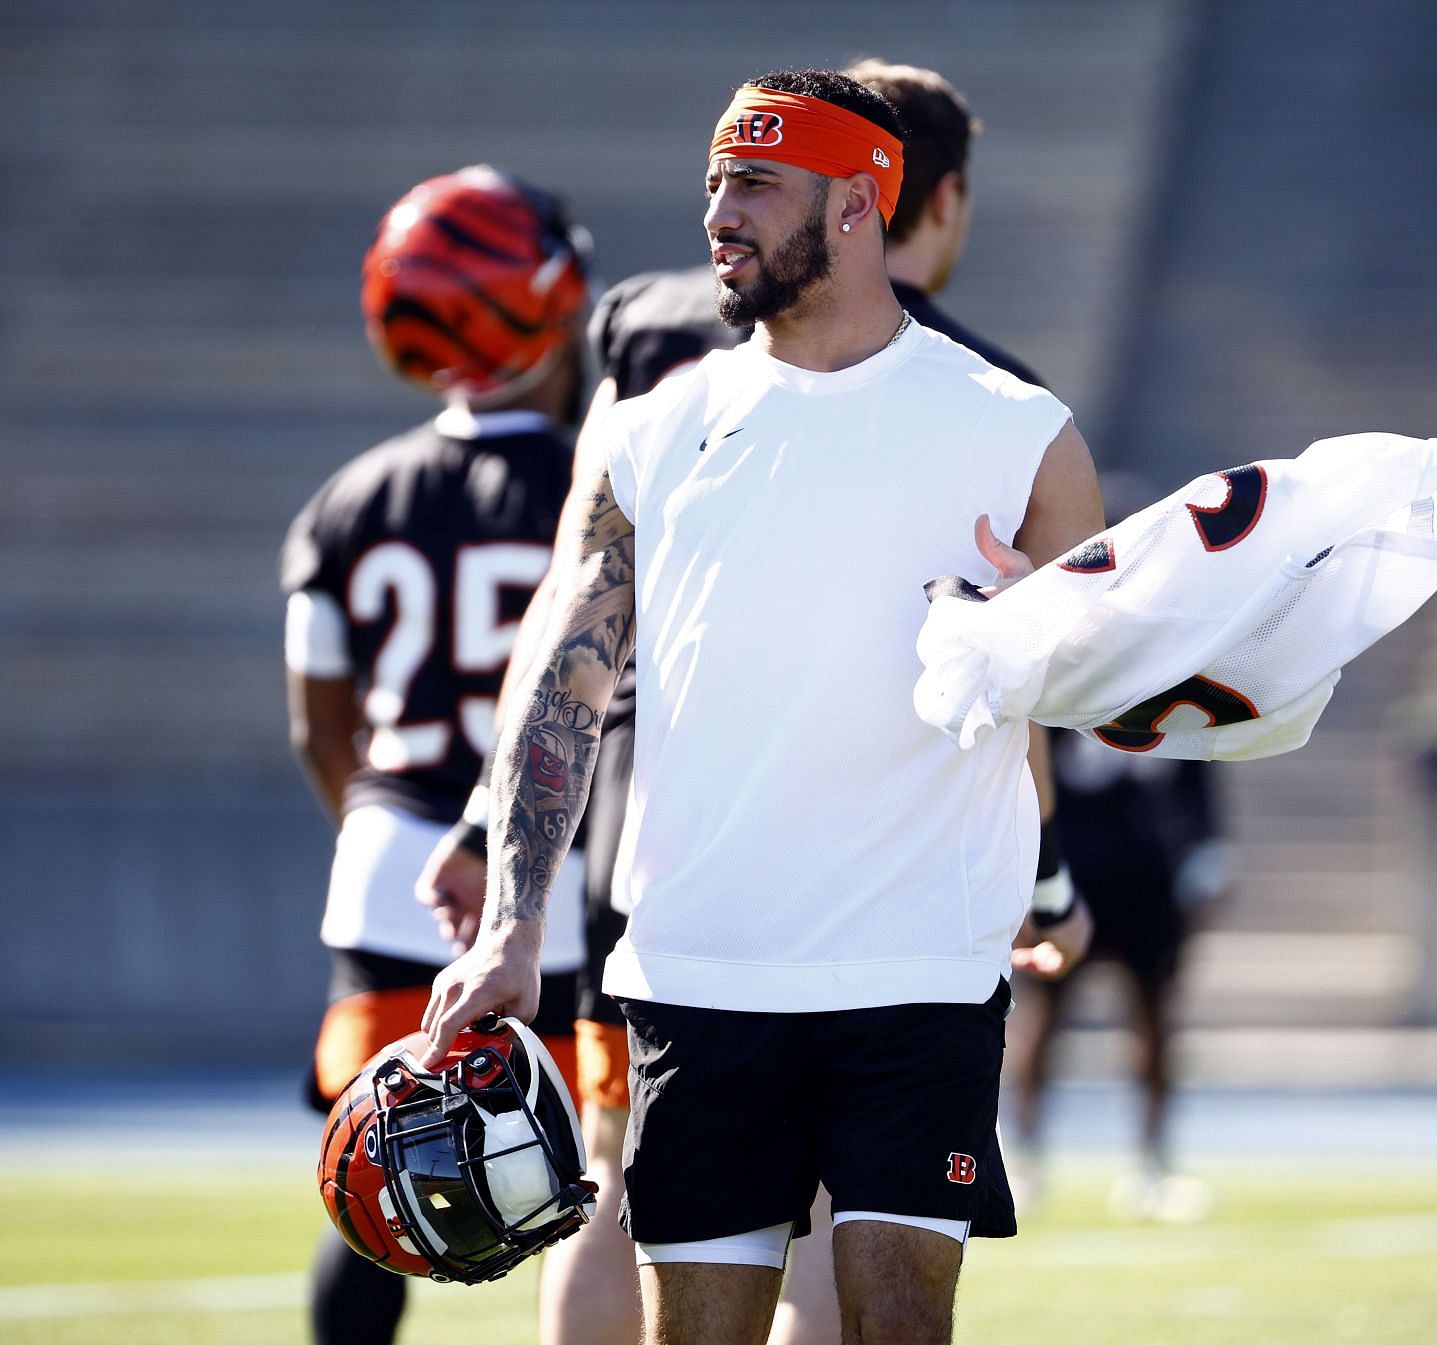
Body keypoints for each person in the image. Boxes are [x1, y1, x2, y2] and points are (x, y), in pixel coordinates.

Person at [412, 60, 1092, 1345]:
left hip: (921, 968)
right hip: (700, 967)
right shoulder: (648, 429)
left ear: (856, 203)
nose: (721, 213)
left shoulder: (1022, 434)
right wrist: (512, 924)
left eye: (756, 186)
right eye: (715, 182)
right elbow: (562, 682)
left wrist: (1061, 672)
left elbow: (1080, 702)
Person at [281, 166, 594, 1345]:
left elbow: (320, 725)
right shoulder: (598, 478)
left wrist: (388, 836)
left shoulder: (346, 499)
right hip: (553, 873)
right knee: (601, 1166)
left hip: (390, 858)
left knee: (373, 1182)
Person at [1003, 742, 1230, 1222]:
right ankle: (1023, 1160)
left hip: (1147, 868)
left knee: (1154, 1018)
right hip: (1069, 867)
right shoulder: (1056, 681)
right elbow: (1032, 768)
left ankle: (1153, 1166)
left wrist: (1211, 853)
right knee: (1042, 1017)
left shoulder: (1165, 680)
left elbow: (1196, 766)